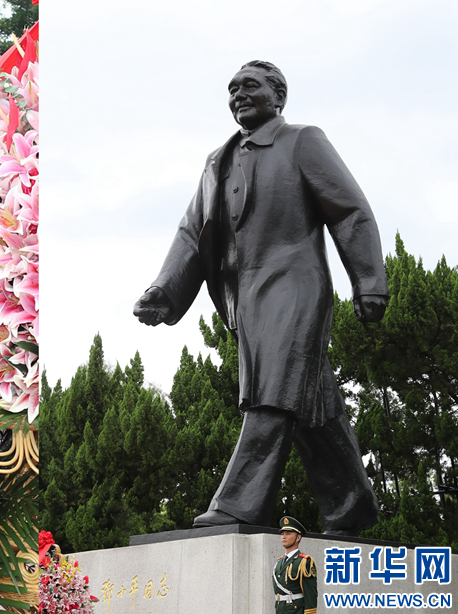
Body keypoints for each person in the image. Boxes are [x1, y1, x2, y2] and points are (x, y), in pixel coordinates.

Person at [133, 61, 386, 535]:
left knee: (271, 391)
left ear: (279, 96)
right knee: (309, 398)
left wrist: (369, 281)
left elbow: (349, 210)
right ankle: (352, 502)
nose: (238, 95)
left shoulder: (302, 140)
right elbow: (193, 233)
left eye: (250, 86)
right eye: (231, 90)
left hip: (295, 284)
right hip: (244, 297)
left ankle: (239, 505)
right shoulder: (216, 161)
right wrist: (163, 292)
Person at [273, 516, 317, 614]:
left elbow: (310, 594)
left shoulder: (304, 562)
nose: (283, 537)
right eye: (282, 534)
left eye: (288, 534)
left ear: (298, 537)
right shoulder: (279, 562)